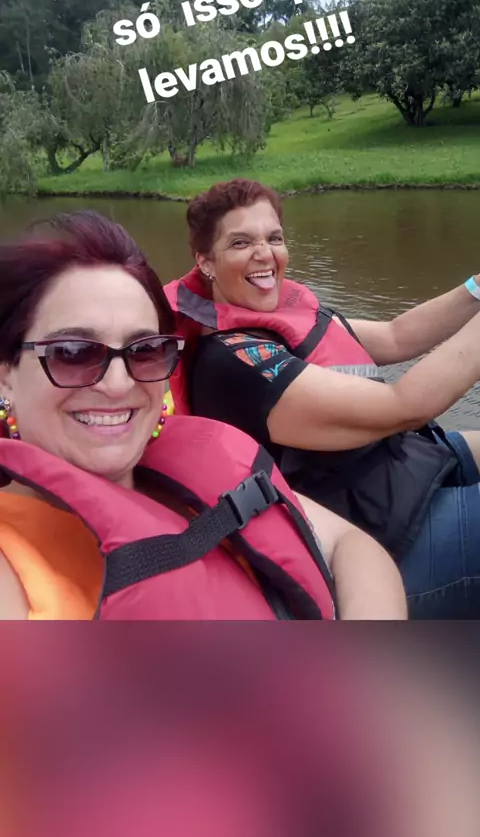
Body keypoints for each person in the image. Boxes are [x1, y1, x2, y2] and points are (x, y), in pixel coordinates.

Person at [0, 209, 406, 620]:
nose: (119, 384)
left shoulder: (194, 463)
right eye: (73, 353)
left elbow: (350, 545)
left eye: (145, 351)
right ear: (5, 376)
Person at [165, 178, 480, 619]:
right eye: (241, 242)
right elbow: (406, 405)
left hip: (398, 472)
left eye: (274, 238)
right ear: (206, 262)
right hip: (383, 539)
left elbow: (397, 335)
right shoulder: (234, 363)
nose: (264, 253)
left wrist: (477, 288)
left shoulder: (284, 314)